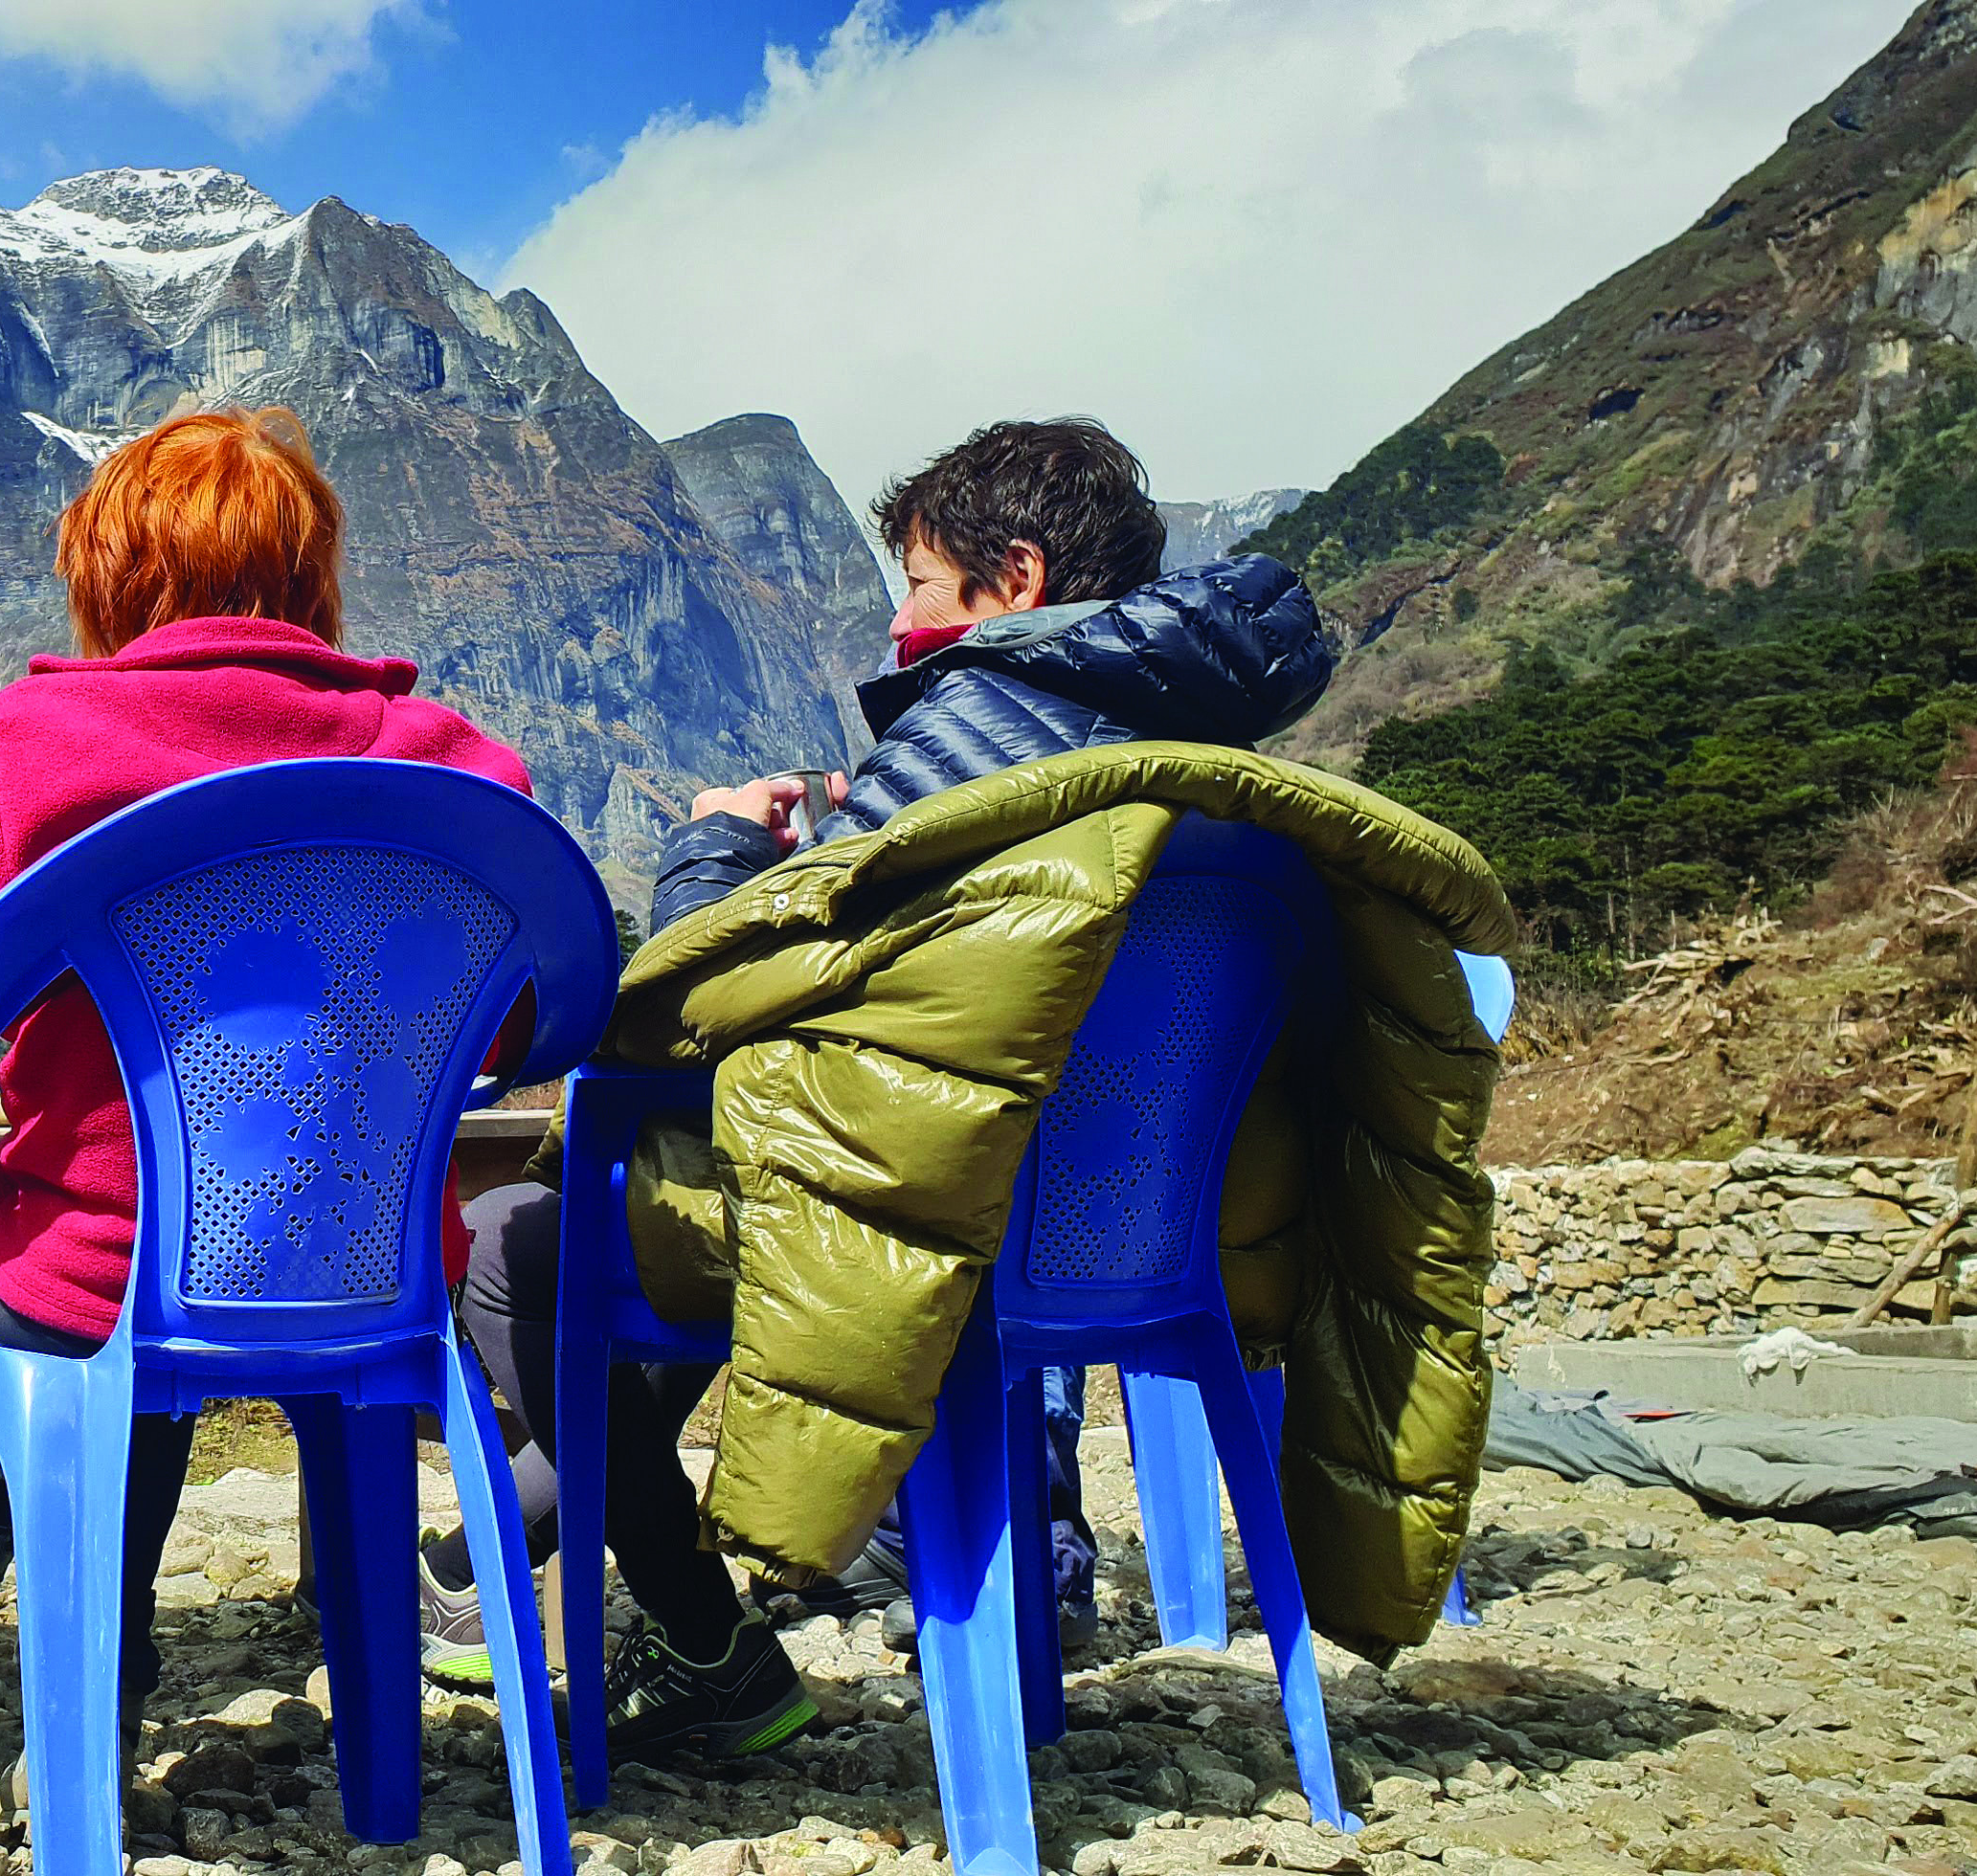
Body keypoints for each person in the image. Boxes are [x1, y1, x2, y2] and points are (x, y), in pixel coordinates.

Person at [422, 418, 1337, 1761]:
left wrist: (717, 846)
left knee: (527, 1240)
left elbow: (699, 1007)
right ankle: (504, 1559)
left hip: (937, 1224)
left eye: (917, 582)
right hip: (1154, 1245)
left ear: (1013, 579)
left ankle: (698, 1644)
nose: (900, 620)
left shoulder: (985, 716)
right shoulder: (1223, 752)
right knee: (614, 1221)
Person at [0, 407, 533, 1749]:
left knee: (91, 1296)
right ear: (312, 582)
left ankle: (83, 1718)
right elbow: (524, 1022)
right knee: (147, 1297)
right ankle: (382, 1770)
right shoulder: (451, 764)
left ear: (115, 578)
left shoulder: (45, 748)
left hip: (97, 1272)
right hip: (378, 1276)